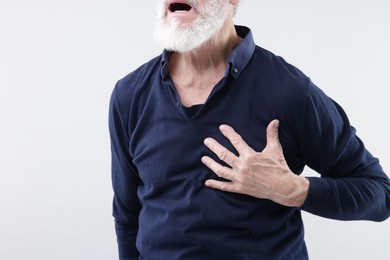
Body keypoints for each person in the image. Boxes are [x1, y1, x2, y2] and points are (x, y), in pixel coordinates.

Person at [109, 0, 390, 259]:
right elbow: (127, 215)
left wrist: (292, 189)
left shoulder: (289, 91)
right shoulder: (130, 95)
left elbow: (379, 193)